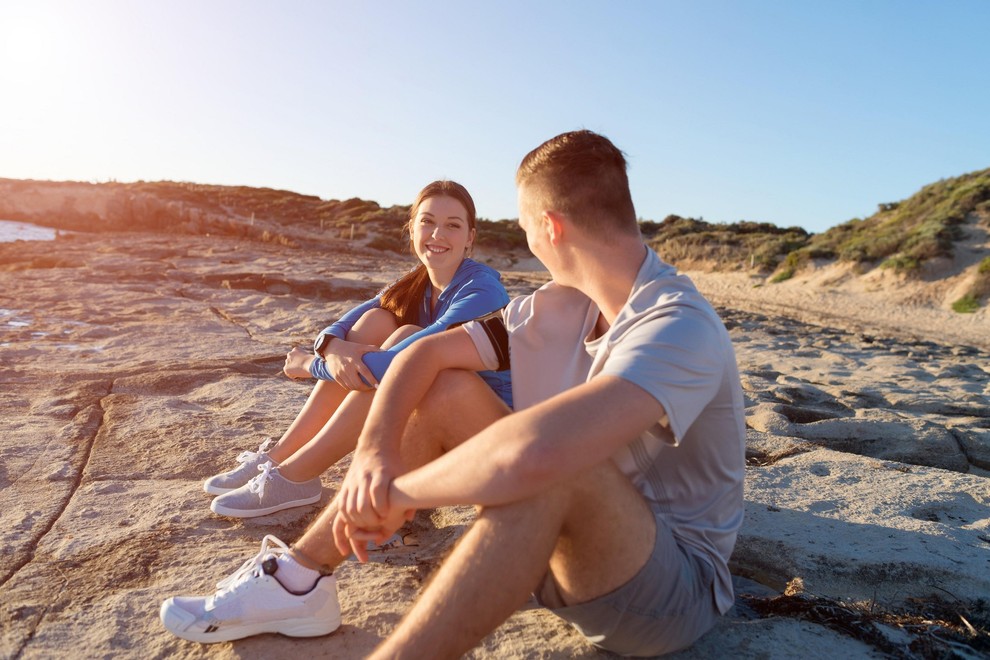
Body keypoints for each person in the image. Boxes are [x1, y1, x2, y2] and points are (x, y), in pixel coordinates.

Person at [160, 130, 746, 657]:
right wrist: (373, 456)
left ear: (550, 226)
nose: (525, 238)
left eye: (522, 225)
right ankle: (298, 578)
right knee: (445, 387)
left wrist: (399, 492)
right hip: (555, 545)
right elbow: (424, 354)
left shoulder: (677, 323)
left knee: (552, 469)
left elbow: (537, 454)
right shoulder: (562, 304)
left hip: (669, 592)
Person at [203, 179, 512, 518]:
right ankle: (278, 456)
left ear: (470, 237)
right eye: (427, 222)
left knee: (399, 350)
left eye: (452, 226)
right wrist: (332, 348)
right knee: (380, 322)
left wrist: (310, 365)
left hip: (477, 432)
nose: (437, 235)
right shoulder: (417, 282)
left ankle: (296, 475)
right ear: (411, 228)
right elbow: (345, 326)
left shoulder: (481, 291)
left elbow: (401, 366)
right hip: (424, 423)